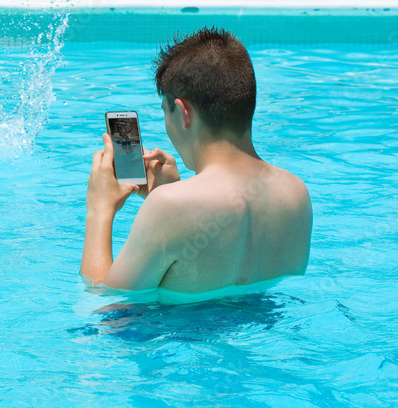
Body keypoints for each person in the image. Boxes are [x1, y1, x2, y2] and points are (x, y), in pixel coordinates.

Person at [80, 28, 312, 294]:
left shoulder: (169, 206)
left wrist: (99, 211)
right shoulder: (296, 192)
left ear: (183, 112)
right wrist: (167, 191)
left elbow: (106, 311)